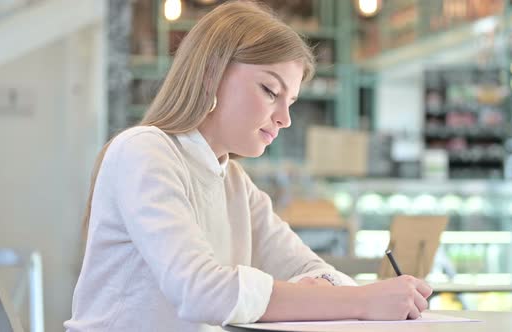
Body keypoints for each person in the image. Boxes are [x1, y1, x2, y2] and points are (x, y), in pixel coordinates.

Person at [64, 1, 432, 331]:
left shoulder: (234, 182)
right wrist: (361, 301)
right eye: (270, 91)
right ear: (211, 73)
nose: (285, 118)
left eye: (291, 101)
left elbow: (307, 266)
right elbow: (201, 291)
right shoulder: (144, 151)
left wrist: (340, 293)